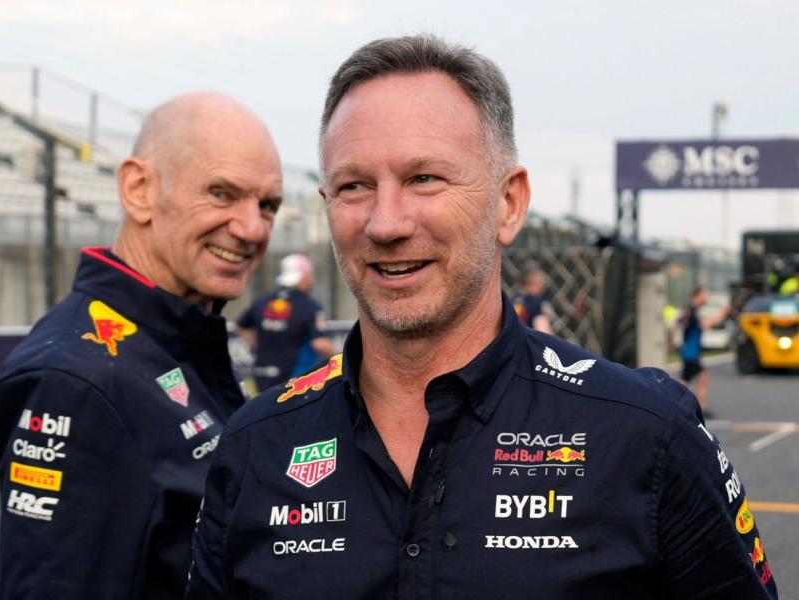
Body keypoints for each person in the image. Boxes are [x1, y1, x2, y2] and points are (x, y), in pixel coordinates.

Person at [187, 35, 777, 599]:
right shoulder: (256, 444)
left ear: (508, 203)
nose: (386, 223)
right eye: (354, 185)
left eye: (424, 179)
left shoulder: (646, 434)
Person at [0, 92, 283, 599]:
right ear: (139, 189)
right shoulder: (74, 382)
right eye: (220, 193)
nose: (252, 228)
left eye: (268, 205)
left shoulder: (182, 335)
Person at [237, 253, 335, 393]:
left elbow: (241, 327)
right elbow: (321, 343)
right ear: (303, 277)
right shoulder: (310, 307)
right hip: (294, 381)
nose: (312, 280)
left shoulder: (262, 302)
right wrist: (341, 359)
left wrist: (259, 346)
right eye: (310, 275)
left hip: (262, 374)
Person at [674, 285, 731, 418]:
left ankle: (696, 406)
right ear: (697, 295)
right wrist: (723, 312)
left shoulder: (693, 310)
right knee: (690, 380)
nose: (707, 297)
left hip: (691, 352)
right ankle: (695, 406)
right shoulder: (691, 310)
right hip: (690, 352)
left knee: (696, 378)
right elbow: (704, 324)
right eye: (705, 294)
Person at [513, 260, 553, 333]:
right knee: (541, 320)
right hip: (531, 336)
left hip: (523, 334)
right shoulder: (532, 301)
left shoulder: (518, 298)